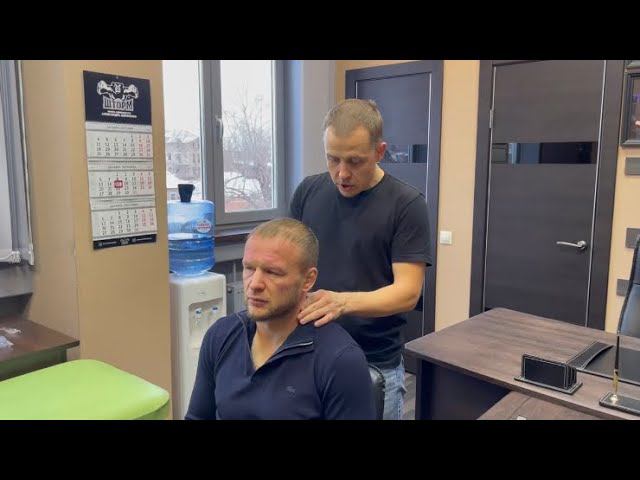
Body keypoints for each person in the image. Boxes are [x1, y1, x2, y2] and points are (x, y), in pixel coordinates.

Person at [289, 99, 432, 420]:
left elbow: (407, 293)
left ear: (380, 152)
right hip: (310, 355)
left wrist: (341, 302)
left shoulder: (407, 205)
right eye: (333, 159)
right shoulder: (308, 191)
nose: (342, 173)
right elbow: (290, 261)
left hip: (374, 364)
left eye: (355, 161)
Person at [186, 218, 375, 420]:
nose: (254, 284)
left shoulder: (339, 360)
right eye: (249, 268)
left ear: (308, 280)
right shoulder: (221, 335)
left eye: (272, 272)